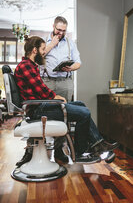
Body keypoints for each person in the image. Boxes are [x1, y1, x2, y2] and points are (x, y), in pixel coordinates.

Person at [14, 36, 118, 167]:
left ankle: (98, 144)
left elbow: (39, 89)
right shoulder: (26, 66)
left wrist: (53, 96)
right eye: (42, 49)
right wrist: (54, 96)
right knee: (84, 113)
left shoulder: (30, 65)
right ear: (35, 50)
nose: (43, 52)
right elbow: (40, 89)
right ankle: (81, 153)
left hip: (40, 106)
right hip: (37, 110)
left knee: (81, 105)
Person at [40, 16, 81, 102]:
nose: (61, 33)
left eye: (64, 31)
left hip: (65, 82)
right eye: (59, 30)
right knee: (47, 109)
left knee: (66, 109)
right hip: (47, 82)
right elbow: (38, 57)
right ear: (53, 26)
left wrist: (71, 68)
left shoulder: (71, 43)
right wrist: (52, 44)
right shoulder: (43, 41)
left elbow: (78, 63)